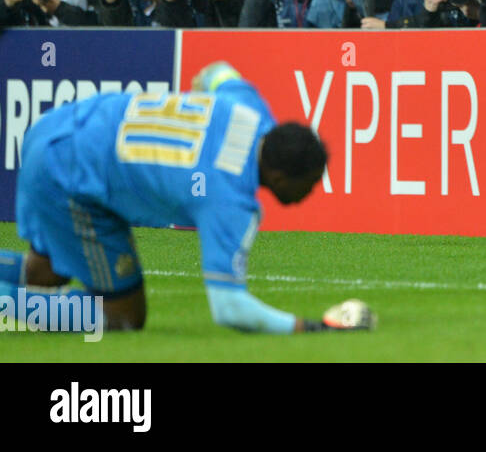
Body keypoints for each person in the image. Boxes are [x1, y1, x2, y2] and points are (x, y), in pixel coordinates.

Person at [0, 61, 373, 333]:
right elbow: (229, 308)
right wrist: (310, 329)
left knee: (45, 273)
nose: (310, 193)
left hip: (58, 129)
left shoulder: (251, 110)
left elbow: (215, 72)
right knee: (123, 316)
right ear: (277, 176)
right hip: (71, 175)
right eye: (307, 184)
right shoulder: (229, 198)